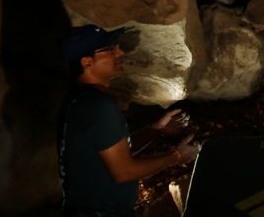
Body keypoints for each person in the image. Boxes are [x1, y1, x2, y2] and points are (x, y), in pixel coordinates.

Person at [57, 25, 199, 216]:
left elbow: (111, 150)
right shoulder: (99, 107)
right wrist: (176, 156)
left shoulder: (79, 101)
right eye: (109, 49)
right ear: (87, 62)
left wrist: (156, 129)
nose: (120, 52)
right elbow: (123, 171)